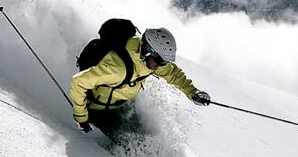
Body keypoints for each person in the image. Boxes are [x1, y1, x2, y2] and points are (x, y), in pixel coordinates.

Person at [69, 26, 211, 139]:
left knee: (147, 134)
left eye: (165, 62)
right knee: (131, 142)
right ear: (148, 51)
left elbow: (173, 73)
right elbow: (79, 82)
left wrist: (193, 92)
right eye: (161, 61)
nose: (161, 66)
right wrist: (81, 118)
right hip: (98, 110)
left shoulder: (148, 61)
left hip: (121, 102)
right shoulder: (118, 68)